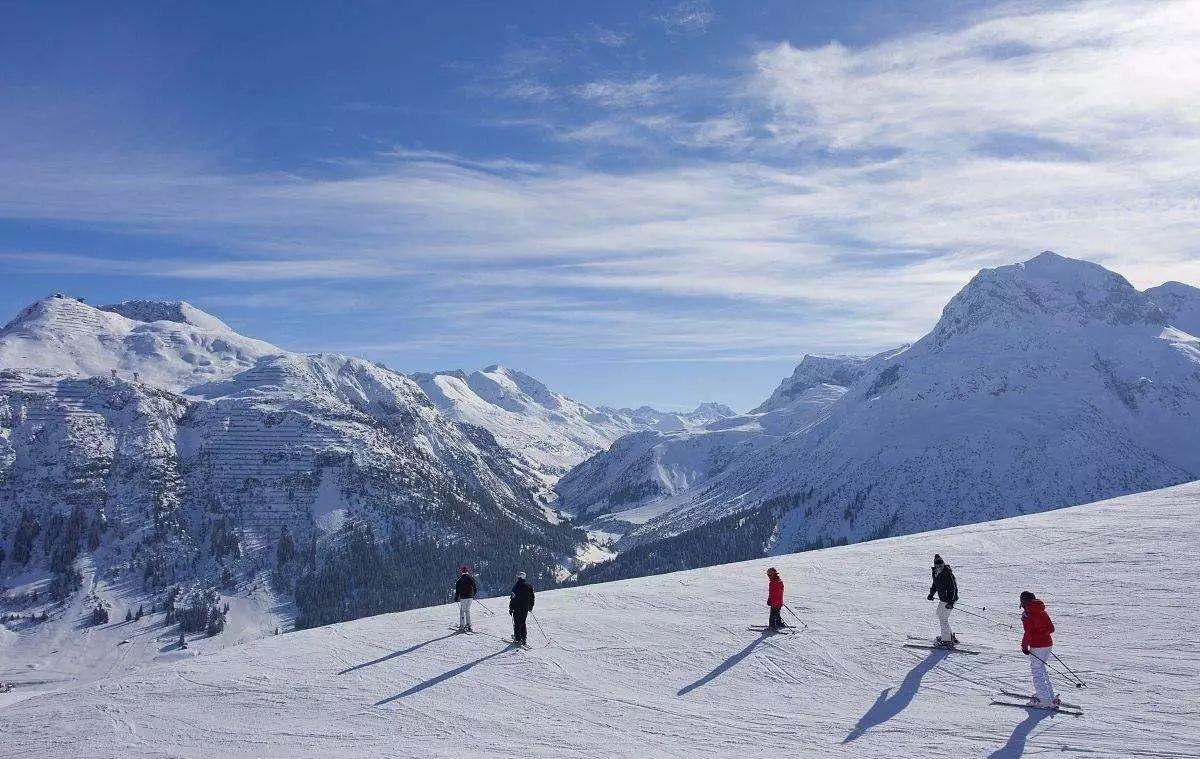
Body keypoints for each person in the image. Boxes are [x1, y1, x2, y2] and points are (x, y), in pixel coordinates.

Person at [1020, 590, 1059, 707]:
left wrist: (1024, 647)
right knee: (1041, 668)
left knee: (1037, 671)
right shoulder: (1042, 611)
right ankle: (1050, 697)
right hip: (1048, 644)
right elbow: (1051, 629)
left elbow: (1028, 633)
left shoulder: (1027, 615)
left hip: (1037, 646)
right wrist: (1042, 632)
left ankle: (1043, 700)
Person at [927, 554, 959, 646]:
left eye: (941, 562)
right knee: (939, 614)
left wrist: (951, 602)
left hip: (949, 599)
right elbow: (935, 584)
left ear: (943, 562)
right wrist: (931, 594)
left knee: (943, 618)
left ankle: (946, 640)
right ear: (935, 564)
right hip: (943, 599)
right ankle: (949, 636)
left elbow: (953, 588)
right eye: (937, 563)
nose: (939, 565)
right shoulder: (935, 572)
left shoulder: (947, 573)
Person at [509, 571, 535, 645]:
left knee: (517, 623)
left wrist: (511, 608)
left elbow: (512, 598)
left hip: (517, 608)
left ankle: (517, 639)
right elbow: (532, 598)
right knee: (523, 622)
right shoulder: (529, 586)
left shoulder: (515, 587)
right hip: (525, 608)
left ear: (518, 578)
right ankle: (524, 638)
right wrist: (530, 607)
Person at [453, 565, 477, 632]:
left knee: (462, 611)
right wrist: (473, 594)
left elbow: (457, 590)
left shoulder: (459, 580)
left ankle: (462, 626)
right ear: (467, 571)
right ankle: (469, 625)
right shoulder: (471, 578)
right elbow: (475, 587)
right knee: (467, 611)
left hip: (463, 597)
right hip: (470, 597)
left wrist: (456, 598)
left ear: (461, 572)